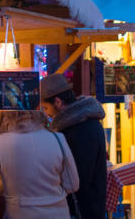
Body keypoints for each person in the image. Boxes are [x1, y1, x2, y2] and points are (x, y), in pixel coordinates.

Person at [0, 110, 79, 219]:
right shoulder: (58, 138)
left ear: (4, 116)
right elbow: (72, 185)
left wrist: (3, 188)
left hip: (20, 214)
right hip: (59, 214)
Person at [40, 73, 107, 219]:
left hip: (84, 210)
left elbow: (78, 179)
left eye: (45, 108)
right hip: (90, 207)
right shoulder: (84, 121)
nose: (47, 114)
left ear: (57, 102)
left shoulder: (79, 129)